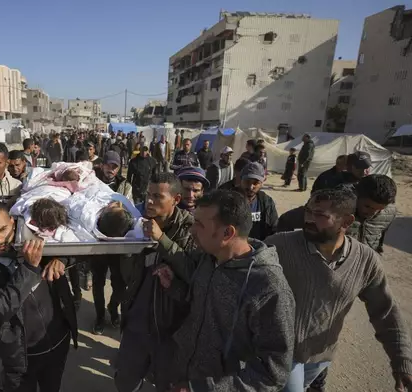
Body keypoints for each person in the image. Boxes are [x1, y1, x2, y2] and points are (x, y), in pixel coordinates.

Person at [265, 188, 412, 392]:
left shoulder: (366, 260)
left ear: (346, 222)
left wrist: (401, 361)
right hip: (280, 352)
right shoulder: (278, 245)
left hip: (320, 357)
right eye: (308, 211)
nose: (308, 219)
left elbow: (385, 312)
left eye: (320, 215)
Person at [148, 190, 295, 392]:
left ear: (227, 233)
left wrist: (202, 389)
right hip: (180, 372)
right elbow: (199, 304)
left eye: (199, 224)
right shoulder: (209, 258)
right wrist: (174, 286)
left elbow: (272, 373)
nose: (191, 231)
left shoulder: (268, 288)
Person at [0, 201, 78, 392]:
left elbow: (78, 246)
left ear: (12, 222)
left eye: (2, 229)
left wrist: (60, 258)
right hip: (21, 352)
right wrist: (28, 268)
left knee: (52, 386)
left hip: (58, 339)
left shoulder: (37, 236)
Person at [115, 172, 194, 392]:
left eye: (158, 196)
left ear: (176, 200)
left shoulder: (190, 230)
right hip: (136, 324)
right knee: (125, 382)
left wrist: (163, 240)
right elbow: (126, 275)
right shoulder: (137, 224)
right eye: (148, 195)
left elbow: (193, 273)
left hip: (170, 331)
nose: (149, 201)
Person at [89, 151, 132, 334]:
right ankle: (100, 317)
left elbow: (129, 212)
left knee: (119, 284)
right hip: (97, 242)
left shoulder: (125, 186)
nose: (112, 170)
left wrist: (118, 209)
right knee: (98, 283)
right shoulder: (92, 182)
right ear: (102, 165)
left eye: (115, 167)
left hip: (118, 242)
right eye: (109, 166)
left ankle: (113, 308)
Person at [237, 162, 278, 240]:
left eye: (256, 183)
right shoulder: (229, 200)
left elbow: (273, 228)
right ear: (241, 180)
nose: (251, 187)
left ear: (262, 183)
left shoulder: (266, 201)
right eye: (247, 181)